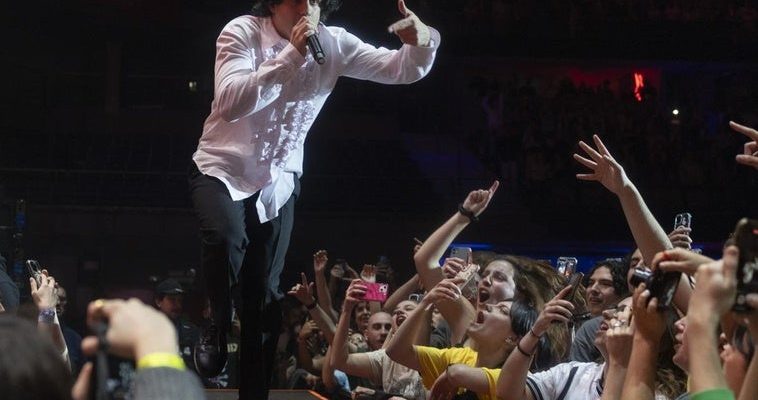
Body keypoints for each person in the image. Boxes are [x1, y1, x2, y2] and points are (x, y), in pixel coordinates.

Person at [189, 0, 440, 397]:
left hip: (278, 183)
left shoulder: (334, 43)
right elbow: (231, 102)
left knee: (264, 299)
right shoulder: (242, 31)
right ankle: (218, 321)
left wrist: (423, 40)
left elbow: (402, 69)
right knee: (224, 236)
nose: (310, 5)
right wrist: (292, 54)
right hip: (223, 169)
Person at [153, 279, 202, 380]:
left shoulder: (192, 331)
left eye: (179, 300)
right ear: (158, 301)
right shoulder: (147, 331)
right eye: (172, 300)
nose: (177, 305)